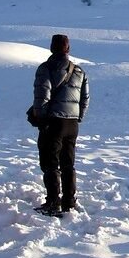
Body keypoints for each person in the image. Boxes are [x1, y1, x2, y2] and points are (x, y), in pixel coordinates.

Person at [32, 34, 89, 216]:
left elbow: (42, 96)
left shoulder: (45, 69)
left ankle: (53, 201)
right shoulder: (79, 71)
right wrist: (78, 117)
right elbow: (85, 98)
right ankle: (69, 201)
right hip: (72, 124)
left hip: (53, 122)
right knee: (68, 163)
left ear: (51, 48)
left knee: (50, 163)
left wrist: (41, 119)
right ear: (68, 49)